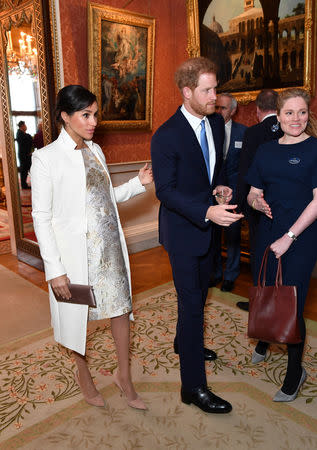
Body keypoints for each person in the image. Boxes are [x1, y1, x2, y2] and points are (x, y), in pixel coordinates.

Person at [31, 85, 153, 410]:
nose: (93, 121)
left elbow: (103, 199)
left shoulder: (96, 150)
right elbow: (40, 217)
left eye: (95, 114)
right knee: (77, 319)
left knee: (121, 310)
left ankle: (123, 376)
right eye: (86, 115)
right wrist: (54, 270)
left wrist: (136, 184)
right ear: (65, 116)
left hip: (109, 250)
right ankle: (83, 373)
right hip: (75, 257)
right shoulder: (45, 159)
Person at [151, 57, 243, 414]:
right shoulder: (166, 135)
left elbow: (214, 170)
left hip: (210, 229)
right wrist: (206, 210)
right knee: (192, 307)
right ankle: (193, 387)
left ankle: (182, 342)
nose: (214, 96)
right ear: (187, 91)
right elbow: (166, 191)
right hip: (183, 233)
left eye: (215, 88)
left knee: (201, 296)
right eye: (207, 90)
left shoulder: (217, 123)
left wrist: (218, 188)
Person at [246, 88, 317, 401]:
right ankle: (265, 338)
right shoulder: (265, 151)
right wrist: (257, 203)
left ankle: (294, 371)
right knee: (267, 289)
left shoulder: (315, 148)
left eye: (302, 112)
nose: (296, 119)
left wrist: (289, 237)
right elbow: (252, 192)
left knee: (293, 301)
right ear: (278, 114)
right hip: (268, 231)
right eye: (290, 112)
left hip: (300, 236)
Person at [236, 89, 283, 310]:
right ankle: (283, 303)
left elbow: (245, 171)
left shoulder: (253, 133)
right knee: (282, 254)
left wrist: (240, 204)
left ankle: (259, 304)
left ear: (257, 110)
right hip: (285, 204)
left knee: (259, 254)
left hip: (258, 203)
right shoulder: (289, 128)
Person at [209, 93, 247, 292]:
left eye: (223, 108)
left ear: (232, 111)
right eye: (216, 107)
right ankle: (215, 273)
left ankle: (230, 275)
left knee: (233, 237)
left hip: (234, 193)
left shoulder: (244, 133)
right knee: (213, 236)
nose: (218, 112)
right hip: (213, 192)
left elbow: (246, 166)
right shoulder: (207, 131)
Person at [16, 120, 33, 189]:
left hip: (25, 154)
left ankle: (24, 184)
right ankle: (24, 185)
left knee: (26, 169)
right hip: (23, 155)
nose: (26, 127)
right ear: (22, 126)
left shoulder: (22, 133)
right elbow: (27, 139)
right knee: (24, 170)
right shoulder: (20, 133)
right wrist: (29, 136)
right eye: (25, 125)